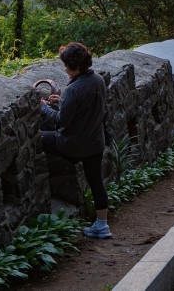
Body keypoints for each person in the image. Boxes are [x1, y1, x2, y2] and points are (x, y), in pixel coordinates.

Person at [39, 42, 112, 239]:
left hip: (72, 145)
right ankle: (102, 225)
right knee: (96, 182)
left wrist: (44, 107)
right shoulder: (97, 80)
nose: (64, 69)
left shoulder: (74, 89)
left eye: (66, 65)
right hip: (95, 143)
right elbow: (84, 106)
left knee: (37, 138)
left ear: (75, 66)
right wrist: (61, 101)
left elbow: (62, 121)